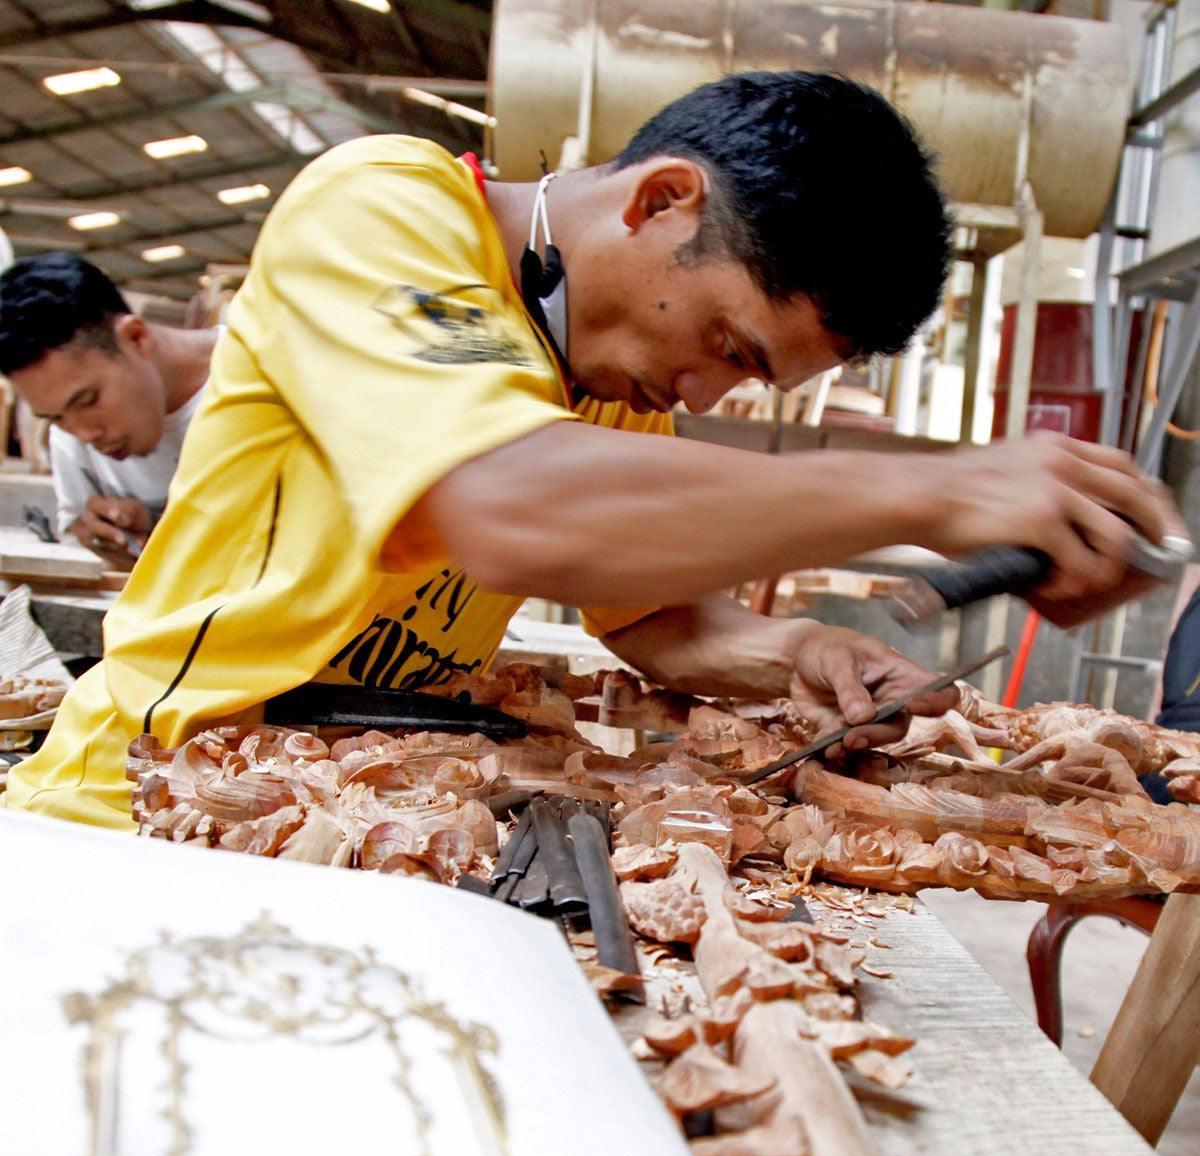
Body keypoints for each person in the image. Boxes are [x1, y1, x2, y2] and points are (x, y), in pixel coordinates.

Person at [2, 71, 1185, 831]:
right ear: (660, 200)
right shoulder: (386, 208)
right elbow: (508, 505)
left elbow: (657, 615)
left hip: (345, 800)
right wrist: (941, 486)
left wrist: (804, 652)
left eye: (749, 377)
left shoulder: (607, 378)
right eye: (726, 342)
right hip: (149, 796)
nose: (703, 389)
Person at [0, 252, 219, 562]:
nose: (84, 434)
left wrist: (161, 525)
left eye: (89, 401)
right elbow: (86, 534)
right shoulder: (70, 435)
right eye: (55, 417)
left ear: (135, 337)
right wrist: (100, 537)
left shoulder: (265, 379)